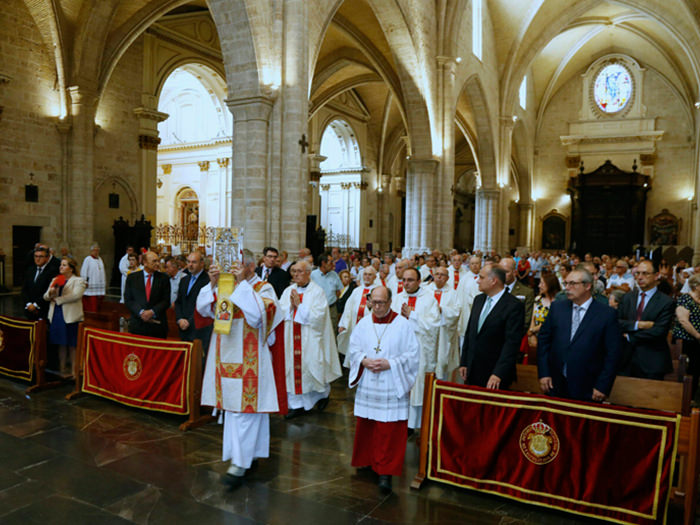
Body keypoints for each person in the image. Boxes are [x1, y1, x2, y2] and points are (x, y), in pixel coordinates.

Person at [197, 249, 285, 489]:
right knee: (234, 410)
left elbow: (257, 317)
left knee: (246, 411)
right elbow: (203, 309)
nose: (231, 269)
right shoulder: (227, 286)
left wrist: (242, 285)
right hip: (225, 355)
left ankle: (240, 463)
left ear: (249, 267)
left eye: (235, 265)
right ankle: (250, 455)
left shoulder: (263, 288)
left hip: (251, 360)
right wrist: (213, 283)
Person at [347, 286, 419, 494]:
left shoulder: (402, 325)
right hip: (369, 381)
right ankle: (368, 461)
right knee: (368, 424)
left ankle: (385, 472)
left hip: (391, 381)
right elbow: (354, 349)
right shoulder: (363, 323)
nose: (377, 307)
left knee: (388, 429)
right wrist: (363, 360)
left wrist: (391, 364)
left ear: (390, 302)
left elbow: (413, 355)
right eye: (374, 302)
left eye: (381, 303)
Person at [537, 268, 621, 401]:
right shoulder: (557, 308)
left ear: (587, 286)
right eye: (566, 284)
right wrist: (544, 373)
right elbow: (543, 342)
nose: (567, 288)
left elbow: (613, 353)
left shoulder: (606, 314)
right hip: (555, 383)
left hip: (588, 386)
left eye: (573, 284)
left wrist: (603, 385)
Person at [280, 260, 341, 419]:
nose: (296, 275)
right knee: (292, 369)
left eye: (299, 271)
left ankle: (322, 395)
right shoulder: (288, 290)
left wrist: (300, 306)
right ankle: (296, 404)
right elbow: (281, 311)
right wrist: (291, 308)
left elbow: (318, 317)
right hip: (291, 338)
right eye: (293, 271)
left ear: (308, 272)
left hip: (310, 337)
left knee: (313, 367)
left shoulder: (317, 291)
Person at [459, 265, 524, 390]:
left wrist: (498, 373)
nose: (477, 280)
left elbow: (511, 344)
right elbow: (470, 333)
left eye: (482, 277)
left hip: (494, 374)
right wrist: (464, 362)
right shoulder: (478, 300)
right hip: (472, 370)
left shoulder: (513, 306)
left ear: (493, 281)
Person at [391, 267, 440, 430]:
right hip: (400, 350)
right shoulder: (397, 298)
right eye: (404, 280)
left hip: (420, 351)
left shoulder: (429, 299)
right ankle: (399, 420)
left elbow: (433, 325)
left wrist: (412, 315)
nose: (406, 283)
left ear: (419, 281)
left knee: (417, 386)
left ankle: (414, 424)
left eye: (410, 280)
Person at [617, 260, 675, 380]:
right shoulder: (627, 297)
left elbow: (659, 331)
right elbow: (617, 322)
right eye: (637, 273)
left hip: (652, 361)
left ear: (656, 275)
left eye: (645, 273)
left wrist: (629, 336)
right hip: (625, 360)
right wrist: (638, 325)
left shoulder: (666, 302)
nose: (640, 277)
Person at [44, 257, 86, 377]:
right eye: (61, 265)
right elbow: (46, 297)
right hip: (56, 314)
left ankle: (74, 371)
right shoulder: (56, 279)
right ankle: (62, 369)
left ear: (71, 269)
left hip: (71, 316)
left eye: (64, 265)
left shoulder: (78, 281)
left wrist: (58, 299)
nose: (60, 267)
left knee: (72, 345)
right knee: (61, 343)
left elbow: (76, 296)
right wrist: (51, 292)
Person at [123, 251, 170, 338]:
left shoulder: (164, 278)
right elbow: (128, 299)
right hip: (138, 325)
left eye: (158, 261)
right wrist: (141, 313)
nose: (157, 264)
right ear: (144, 262)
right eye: (154, 261)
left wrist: (152, 312)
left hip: (157, 325)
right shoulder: (132, 278)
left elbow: (166, 301)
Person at [427, 266, 462, 381]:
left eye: (442, 275)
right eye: (437, 274)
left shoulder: (453, 293)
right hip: (428, 332)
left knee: (442, 361)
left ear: (447, 278)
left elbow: (457, 311)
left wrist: (443, 310)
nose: (439, 277)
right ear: (433, 275)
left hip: (444, 333)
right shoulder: (426, 291)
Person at [337, 267, 378, 360]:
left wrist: (371, 308)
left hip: (370, 328)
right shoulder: (357, 290)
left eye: (370, 275)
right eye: (365, 274)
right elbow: (348, 308)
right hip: (355, 327)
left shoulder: (378, 291)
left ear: (375, 277)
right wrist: (343, 324)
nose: (367, 277)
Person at [175, 251, 212, 349]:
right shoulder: (184, 280)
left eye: (194, 262)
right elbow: (178, 302)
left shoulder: (208, 281)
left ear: (202, 263)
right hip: (183, 328)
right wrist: (180, 319)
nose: (190, 265)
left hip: (198, 328)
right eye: (188, 262)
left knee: (197, 361)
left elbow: (204, 306)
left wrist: (188, 322)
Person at [673, 274, 700, 395]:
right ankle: (682, 396)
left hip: (697, 342)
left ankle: (692, 397)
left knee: (696, 370)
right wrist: (698, 335)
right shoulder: (685, 299)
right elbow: (683, 320)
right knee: (687, 369)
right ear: (696, 286)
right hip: (685, 340)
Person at [526, 273, 561, 354]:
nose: (539, 286)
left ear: (550, 284)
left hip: (550, 338)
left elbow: (550, 321)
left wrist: (533, 330)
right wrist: (531, 334)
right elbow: (533, 317)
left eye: (542, 283)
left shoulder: (557, 302)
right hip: (534, 336)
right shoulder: (538, 299)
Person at [22, 245, 59, 320]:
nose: (37, 259)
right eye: (36, 256)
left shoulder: (53, 271)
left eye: (41, 256)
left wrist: (35, 305)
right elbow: (24, 289)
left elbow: (47, 292)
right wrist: (29, 304)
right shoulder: (30, 270)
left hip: (43, 310)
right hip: (29, 309)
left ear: (47, 258)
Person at [310, 252, 343, 333]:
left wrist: (333, 300)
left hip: (331, 309)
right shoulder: (312, 275)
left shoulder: (334, 275)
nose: (333, 264)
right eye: (331, 262)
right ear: (323, 263)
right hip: (317, 308)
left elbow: (339, 291)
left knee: (332, 332)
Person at [500, 257, 534, 334]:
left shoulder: (526, 292)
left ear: (515, 272)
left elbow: (526, 319)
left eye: (506, 272)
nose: (502, 275)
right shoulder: (495, 289)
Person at [80, 243, 106, 313]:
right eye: (94, 250)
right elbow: (83, 271)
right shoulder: (88, 259)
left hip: (99, 286)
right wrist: (85, 281)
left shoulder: (100, 259)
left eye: (97, 250)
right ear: (91, 251)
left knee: (98, 305)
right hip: (91, 286)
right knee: (91, 305)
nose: (96, 252)